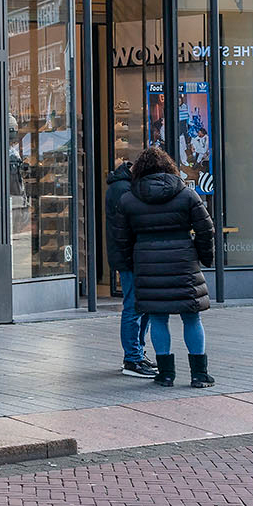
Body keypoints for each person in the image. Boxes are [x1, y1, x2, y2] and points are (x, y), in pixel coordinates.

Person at [108, 147, 215, 388]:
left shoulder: (129, 199)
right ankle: (199, 374)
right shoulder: (186, 194)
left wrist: (129, 265)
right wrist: (203, 256)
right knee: (191, 317)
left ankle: (165, 374)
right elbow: (206, 229)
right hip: (183, 262)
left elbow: (121, 239)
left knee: (158, 319)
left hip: (147, 265)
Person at [106, 157, 152, 377]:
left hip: (132, 254)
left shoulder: (125, 186)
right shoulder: (122, 189)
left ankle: (137, 353)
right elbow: (128, 225)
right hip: (129, 256)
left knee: (142, 306)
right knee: (133, 306)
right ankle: (132, 358)